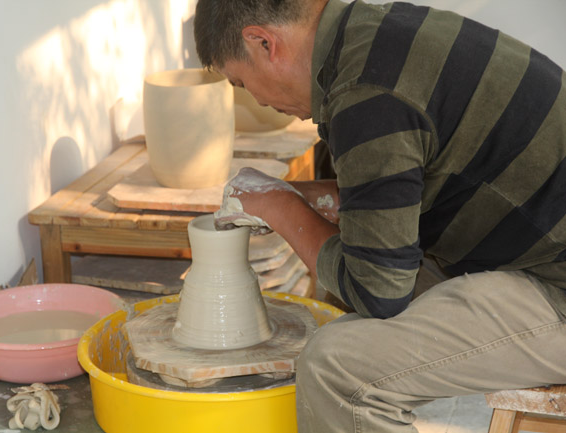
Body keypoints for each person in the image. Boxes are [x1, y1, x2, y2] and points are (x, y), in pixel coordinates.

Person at [194, 0, 566, 432]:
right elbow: (389, 191)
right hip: (541, 251)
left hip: (555, 284)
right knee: (352, 269)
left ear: (263, 42)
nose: (256, 99)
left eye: (241, 82)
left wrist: (280, 206)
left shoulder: (367, 94)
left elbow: (377, 293)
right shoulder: (376, 34)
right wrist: (294, 196)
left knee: (336, 369)